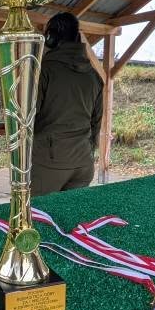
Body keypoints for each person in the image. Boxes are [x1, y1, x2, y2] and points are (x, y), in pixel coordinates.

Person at [31, 12, 103, 196]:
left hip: (49, 162)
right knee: (71, 212)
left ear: (51, 38)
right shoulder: (93, 75)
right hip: (83, 162)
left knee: (38, 213)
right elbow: (96, 122)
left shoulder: (44, 71)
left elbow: (27, 116)